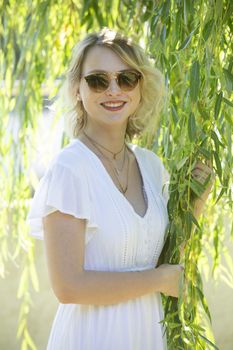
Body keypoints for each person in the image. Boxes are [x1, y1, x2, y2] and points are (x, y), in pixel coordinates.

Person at [27, 28, 214, 350]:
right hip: (93, 336)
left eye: (127, 78)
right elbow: (69, 287)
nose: (114, 90)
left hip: (147, 332)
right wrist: (157, 281)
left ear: (142, 86)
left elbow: (166, 260)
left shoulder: (151, 165)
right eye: (98, 80)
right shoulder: (69, 170)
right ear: (77, 89)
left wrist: (194, 201)